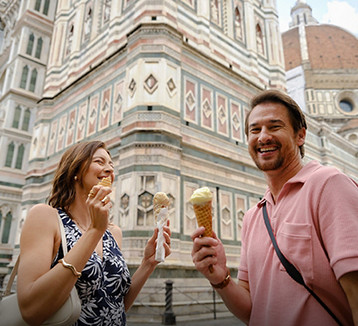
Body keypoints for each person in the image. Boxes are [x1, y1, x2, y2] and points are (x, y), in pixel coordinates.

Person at [191, 90, 358, 325]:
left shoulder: (328, 185)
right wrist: (221, 278)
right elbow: (252, 310)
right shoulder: (254, 215)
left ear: (300, 135)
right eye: (255, 130)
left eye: (274, 126)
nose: (263, 137)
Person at [17, 140, 171, 325]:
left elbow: (114, 305)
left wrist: (148, 264)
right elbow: (30, 310)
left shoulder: (113, 232)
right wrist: (94, 231)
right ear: (75, 171)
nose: (109, 170)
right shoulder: (45, 217)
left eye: (111, 165)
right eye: (100, 162)